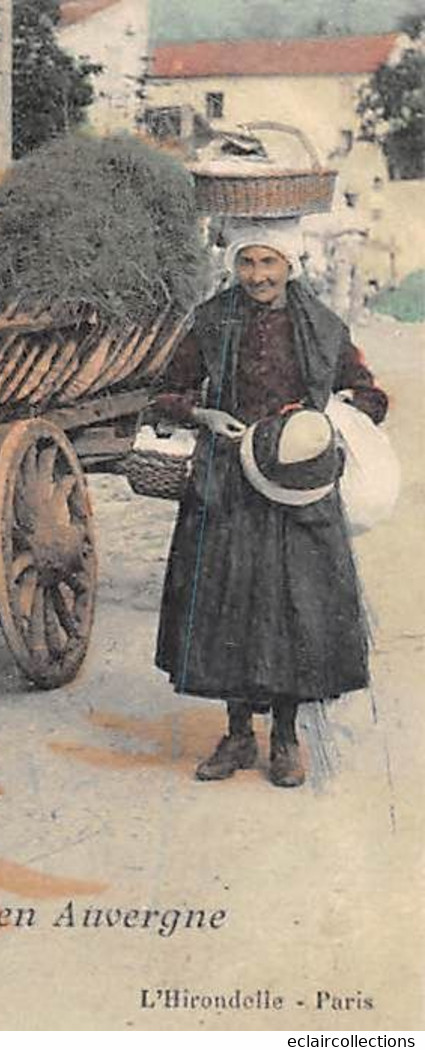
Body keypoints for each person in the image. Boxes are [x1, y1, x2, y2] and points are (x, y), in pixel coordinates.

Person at [150, 217, 388, 789]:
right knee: (227, 604)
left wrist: (323, 421)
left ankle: (285, 738)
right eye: (248, 264)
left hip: (297, 487)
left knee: (293, 608)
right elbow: (166, 391)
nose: (258, 276)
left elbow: (370, 394)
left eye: (269, 264)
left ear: (290, 267)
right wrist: (201, 413)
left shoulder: (321, 326)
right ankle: (236, 735)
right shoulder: (212, 320)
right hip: (228, 482)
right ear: (235, 267)